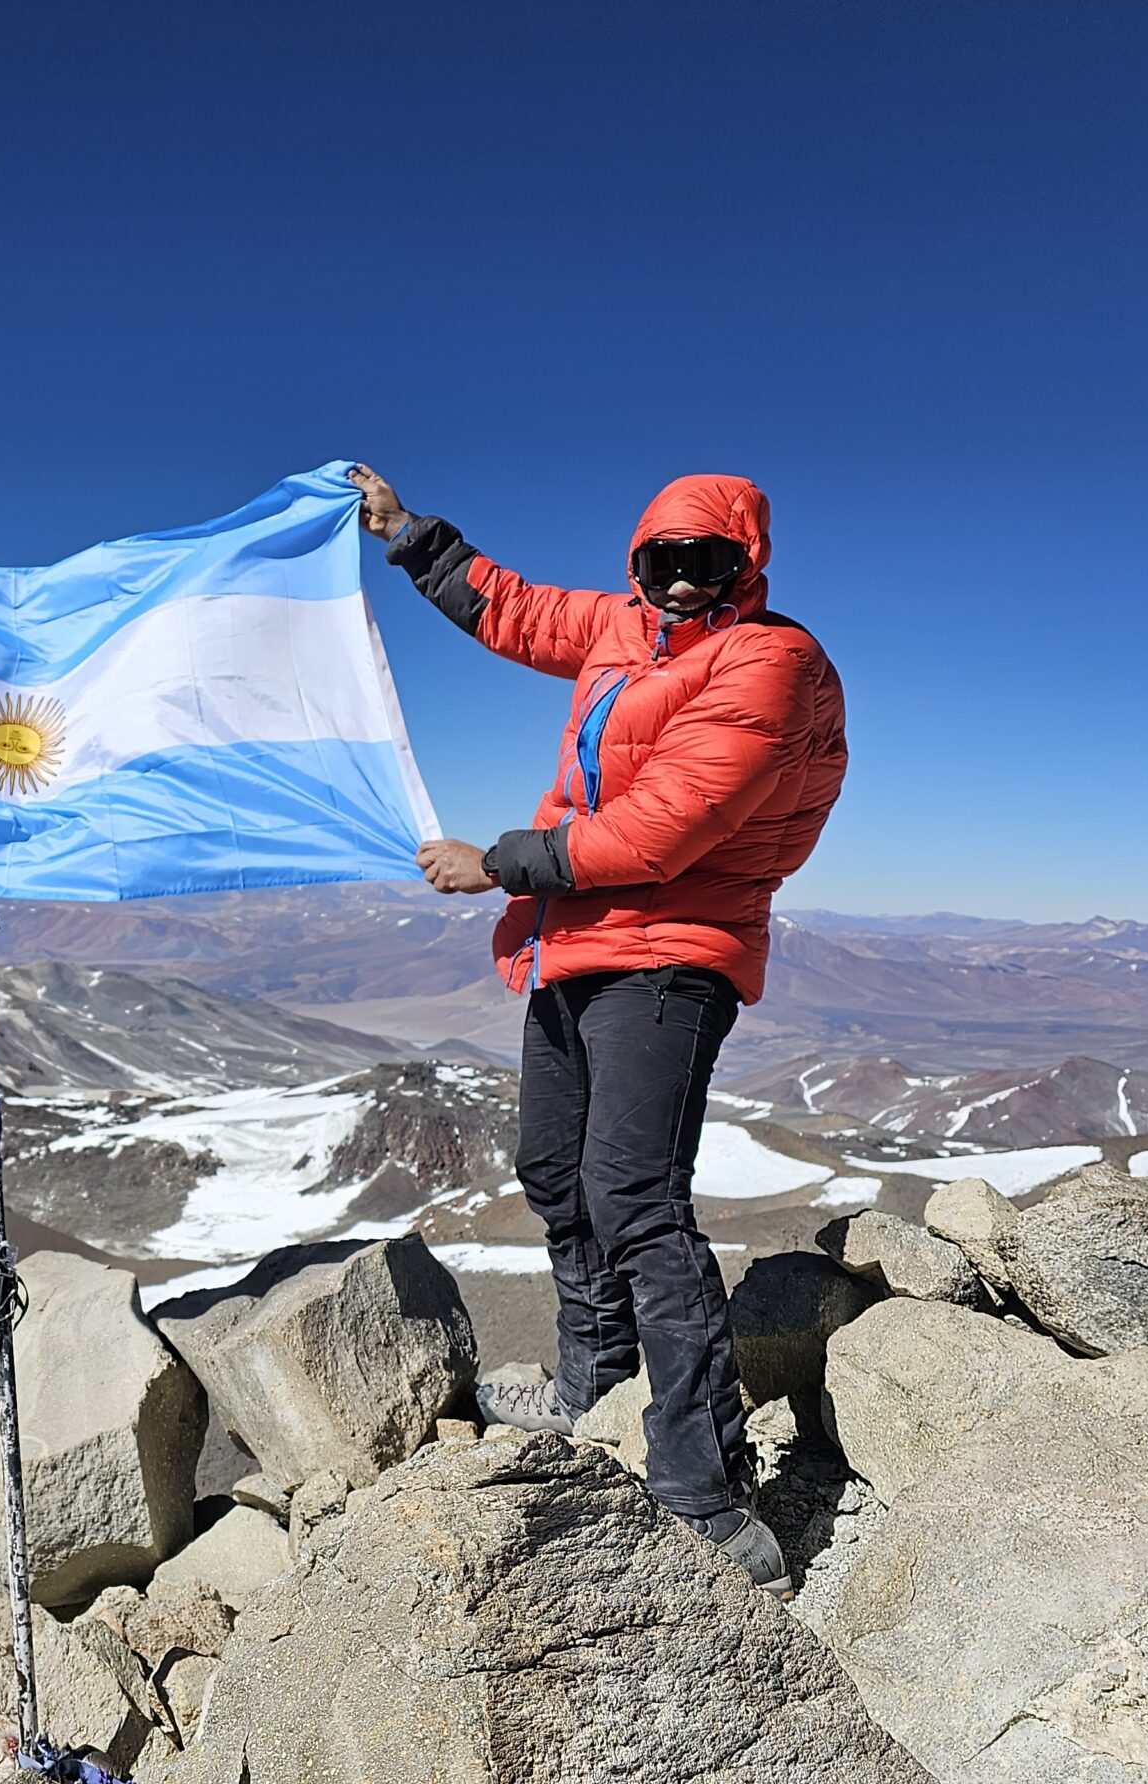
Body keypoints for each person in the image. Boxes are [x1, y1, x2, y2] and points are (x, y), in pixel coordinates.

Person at [353, 462, 847, 1594]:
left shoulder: (769, 665)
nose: (680, 585)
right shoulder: (627, 631)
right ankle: (591, 1381)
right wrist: (408, 537)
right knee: (552, 1171)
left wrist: (496, 866)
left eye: (706, 564)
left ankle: (706, 1492)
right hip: (575, 940)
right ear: (639, 563)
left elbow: (656, 835)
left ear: (747, 569)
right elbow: (519, 611)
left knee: (634, 1199)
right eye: (661, 563)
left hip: (671, 954)